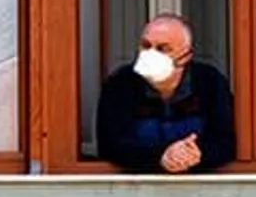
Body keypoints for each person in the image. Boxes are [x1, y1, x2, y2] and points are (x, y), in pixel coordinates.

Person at [96, 12, 236, 173]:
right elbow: (110, 144)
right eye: (146, 46)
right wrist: (160, 156)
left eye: (163, 49)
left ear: (185, 57)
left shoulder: (210, 82)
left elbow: (227, 141)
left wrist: (197, 154)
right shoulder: (120, 84)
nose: (151, 54)